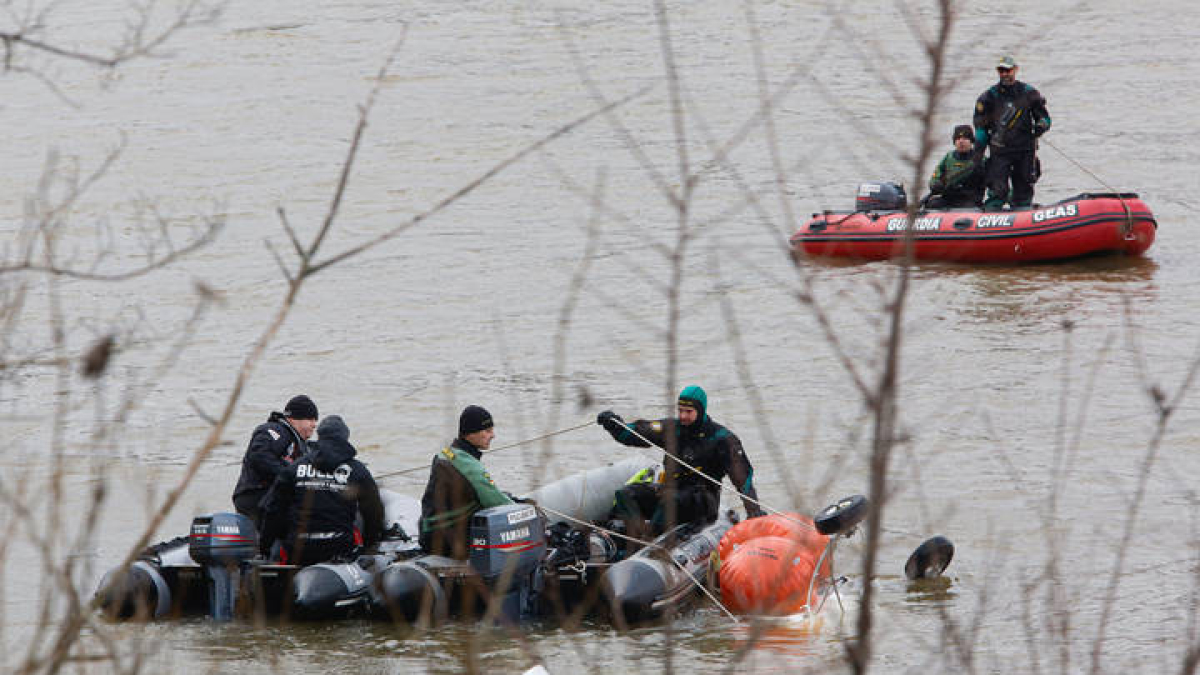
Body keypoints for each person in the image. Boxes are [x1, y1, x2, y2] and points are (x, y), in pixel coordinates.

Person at [596, 385, 764, 542]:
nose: (683, 416)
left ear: (701, 410)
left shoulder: (722, 439)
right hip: (669, 491)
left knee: (670, 501)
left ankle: (649, 539)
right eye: (680, 410)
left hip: (703, 502)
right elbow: (637, 433)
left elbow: (743, 479)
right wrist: (615, 426)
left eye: (688, 411)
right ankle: (630, 536)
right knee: (626, 494)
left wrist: (753, 512)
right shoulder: (671, 428)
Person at [258, 415, 385, 565]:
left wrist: (265, 548)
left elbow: (273, 509)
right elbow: (374, 512)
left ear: (320, 437)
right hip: (340, 550)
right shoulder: (357, 470)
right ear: (345, 438)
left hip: (299, 551)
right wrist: (369, 545)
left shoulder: (294, 468)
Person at [418, 405, 514, 558]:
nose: (493, 435)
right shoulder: (471, 467)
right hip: (447, 542)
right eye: (487, 431)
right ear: (471, 434)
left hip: (428, 533)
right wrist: (528, 511)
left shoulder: (445, 454)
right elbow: (498, 503)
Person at [973, 55, 1051, 210]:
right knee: (997, 189)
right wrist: (978, 152)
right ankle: (991, 215)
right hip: (1000, 151)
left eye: (1007, 70)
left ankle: (1024, 214)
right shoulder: (988, 97)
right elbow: (981, 127)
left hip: (1025, 150)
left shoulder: (1029, 93)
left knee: (1024, 188)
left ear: (1015, 70)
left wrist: (1041, 126)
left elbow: (1045, 118)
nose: (1004, 74)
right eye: (1001, 71)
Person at [231, 394, 319, 524]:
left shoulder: (303, 446)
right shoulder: (275, 430)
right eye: (310, 419)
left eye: (315, 420)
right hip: (256, 495)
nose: (314, 425)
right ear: (294, 419)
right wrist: (289, 476)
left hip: (273, 499)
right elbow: (259, 456)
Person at [925, 124, 986, 209]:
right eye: (958, 139)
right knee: (931, 204)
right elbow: (935, 176)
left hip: (971, 200)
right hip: (949, 198)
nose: (961, 141)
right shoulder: (948, 158)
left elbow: (991, 181)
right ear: (954, 142)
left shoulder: (981, 160)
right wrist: (935, 184)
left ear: (971, 141)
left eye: (965, 138)